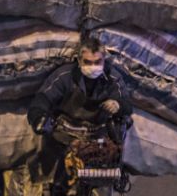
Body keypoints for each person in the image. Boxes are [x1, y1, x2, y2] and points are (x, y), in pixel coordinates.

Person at [27, 37, 133, 184]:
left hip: (97, 134)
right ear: (78, 60)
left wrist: (117, 105)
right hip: (67, 132)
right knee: (52, 175)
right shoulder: (64, 76)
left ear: (104, 60)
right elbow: (44, 97)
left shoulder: (113, 78)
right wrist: (38, 115)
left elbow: (127, 104)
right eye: (87, 62)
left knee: (107, 173)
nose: (93, 66)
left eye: (97, 62)